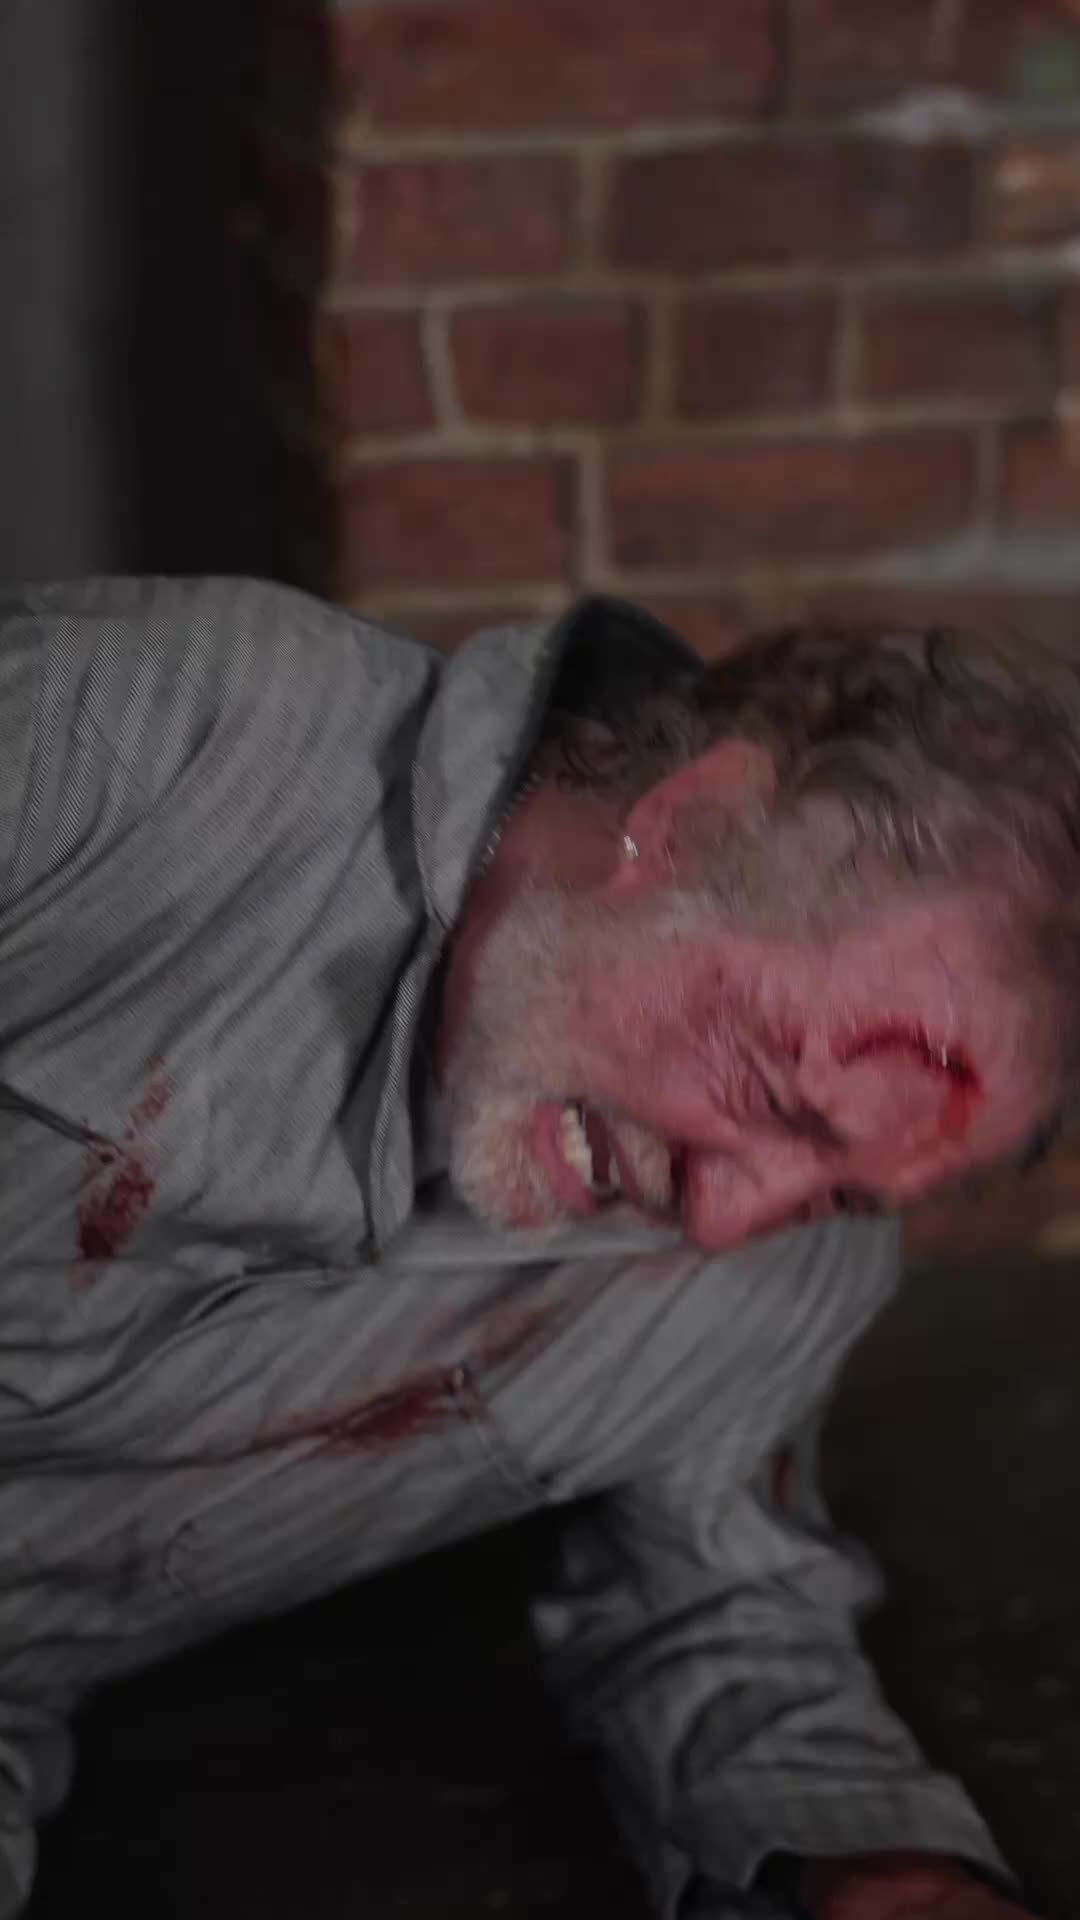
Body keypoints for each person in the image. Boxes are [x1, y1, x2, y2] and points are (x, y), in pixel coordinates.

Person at [0, 576, 1068, 1920]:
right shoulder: (144, 738)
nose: (722, 1220)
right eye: (770, 1092)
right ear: (686, 824)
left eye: (837, 1197)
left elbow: (713, 1613)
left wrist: (877, 1872)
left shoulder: (771, 1282)